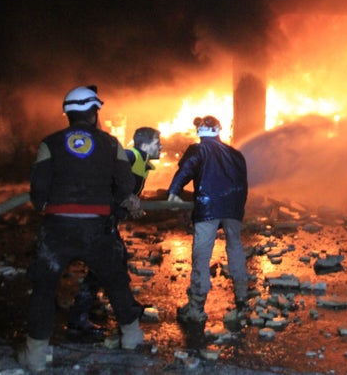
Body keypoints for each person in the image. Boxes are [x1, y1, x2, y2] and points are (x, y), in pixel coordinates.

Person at [18, 85, 145, 373]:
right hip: (97, 228)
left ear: (68, 115)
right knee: (115, 279)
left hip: (58, 228)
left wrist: (44, 204)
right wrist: (120, 205)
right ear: (93, 113)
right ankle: (131, 337)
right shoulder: (111, 144)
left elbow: (38, 188)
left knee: (43, 287)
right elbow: (125, 185)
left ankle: (35, 356)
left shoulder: (49, 143)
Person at [66, 127, 161, 336]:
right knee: (109, 262)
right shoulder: (129, 156)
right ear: (145, 145)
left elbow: (123, 191)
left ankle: (114, 307)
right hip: (99, 220)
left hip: (106, 218)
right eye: (157, 142)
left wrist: (128, 203)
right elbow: (107, 181)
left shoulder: (140, 162)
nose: (161, 146)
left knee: (115, 260)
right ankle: (79, 316)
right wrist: (126, 199)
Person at [166, 115, 249, 323]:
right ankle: (241, 302)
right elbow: (244, 184)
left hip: (208, 206)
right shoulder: (236, 154)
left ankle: (196, 307)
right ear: (219, 131)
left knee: (202, 255)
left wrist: (174, 191)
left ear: (199, 133)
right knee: (235, 248)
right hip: (233, 208)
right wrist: (238, 209)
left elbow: (186, 169)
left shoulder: (198, 149)